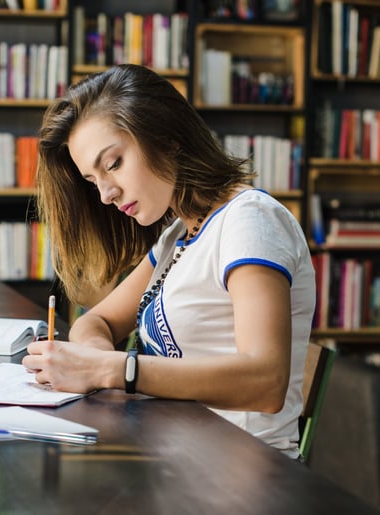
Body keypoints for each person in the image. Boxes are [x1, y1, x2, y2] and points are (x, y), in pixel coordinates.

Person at [22, 64, 315, 459]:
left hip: (245, 476)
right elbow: (96, 321)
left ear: (168, 138)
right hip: (174, 458)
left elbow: (266, 381)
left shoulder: (249, 220)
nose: (106, 194)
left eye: (113, 164)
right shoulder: (178, 235)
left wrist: (112, 370)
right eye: (93, 181)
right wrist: (97, 358)